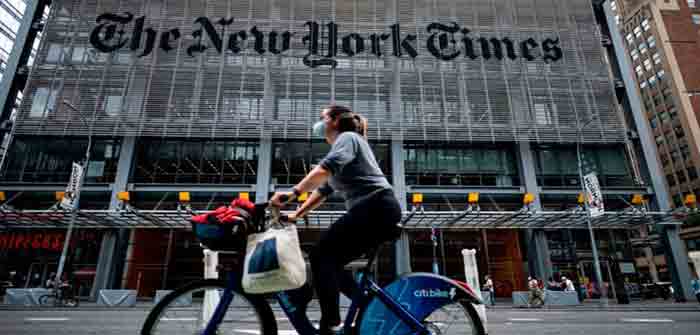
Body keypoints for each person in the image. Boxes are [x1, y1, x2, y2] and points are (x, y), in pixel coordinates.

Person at [270, 105, 402, 335]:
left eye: (322, 117)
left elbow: (325, 170)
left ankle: (330, 325)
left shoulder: (349, 138)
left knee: (321, 256)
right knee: (331, 263)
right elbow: (323, 190)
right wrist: (295, 215)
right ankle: (370, 305)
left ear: (335, 121)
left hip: (376, 207)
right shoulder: (347, 145)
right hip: (375, 209)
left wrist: (293, 192)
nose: (319, 123)